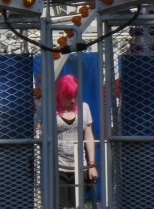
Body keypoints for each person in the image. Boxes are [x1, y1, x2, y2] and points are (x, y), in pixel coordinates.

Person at [56, 75, 97, 208]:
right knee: (60, 205)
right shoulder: (52, 109)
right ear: (61, 94)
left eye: (75, 95)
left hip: (79, 166)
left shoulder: (83, 108)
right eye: (69, 96)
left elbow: (89, 136)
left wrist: (91, 165)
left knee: (77, 204)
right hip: (58, 166)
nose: (73, 100)